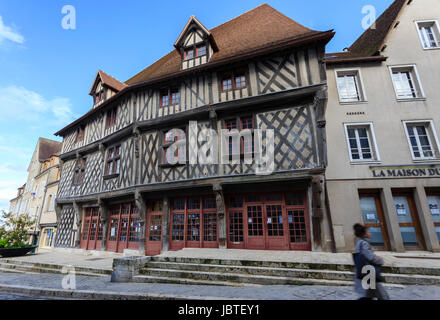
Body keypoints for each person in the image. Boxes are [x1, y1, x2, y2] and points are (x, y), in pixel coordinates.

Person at [353, 223, 390, 300]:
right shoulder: (364, 243)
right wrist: (380, 260)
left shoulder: (360, 242)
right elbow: (370, 257)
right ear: (365, 234)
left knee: (369, 295)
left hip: (366, 272)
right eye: (368, 232)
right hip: (369, 272)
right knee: (383, 295)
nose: (370, 233)